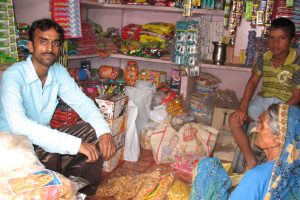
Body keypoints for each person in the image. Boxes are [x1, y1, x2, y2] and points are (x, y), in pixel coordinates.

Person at [0, 19, 116, 195]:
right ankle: (58, 192)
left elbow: (83, 102)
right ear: (30, 46)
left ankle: (81, 192)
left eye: (55, 43)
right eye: (43, 41)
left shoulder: (58, 72)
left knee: (93, 130)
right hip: (14, 146)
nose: (49, 48)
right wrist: (75, 144)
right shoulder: (13, 76)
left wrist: (104, 132)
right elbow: (19, 126)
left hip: (41, 138)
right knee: (51, 149)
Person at [229, 17, 300, 169]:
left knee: (272, 132)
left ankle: (273, 169)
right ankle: (250, 160)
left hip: (286, 106)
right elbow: (253, 82)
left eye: (282, 38)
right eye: (272, 38)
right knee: (234, 120)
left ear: (292, 40)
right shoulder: (264, 57)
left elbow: (296, 97)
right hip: (263, 101)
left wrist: (270, 114)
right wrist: (243, 107)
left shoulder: (297, 62)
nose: (275, 43)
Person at [190, 103, 300, 200]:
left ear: (277, 139)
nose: (257, 129)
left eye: (262, 125)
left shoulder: (256, 176)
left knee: (208, 166)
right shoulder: (291, 167)